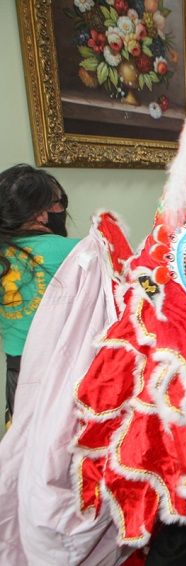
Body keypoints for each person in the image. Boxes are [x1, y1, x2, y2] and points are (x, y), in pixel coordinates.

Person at [1, 164, 78, 427]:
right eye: (58, 203)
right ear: (40, 214)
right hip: (66, 377)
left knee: (24, 456)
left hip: (17, 377)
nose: (61, 211)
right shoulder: (78, 252)